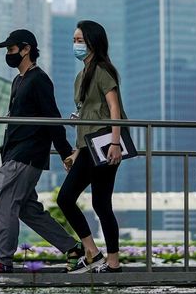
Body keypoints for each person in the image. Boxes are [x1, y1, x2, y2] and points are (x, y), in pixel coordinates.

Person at [0, 29, 87, 274]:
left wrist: (64, 153)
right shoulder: (19, 80)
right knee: (28, 210)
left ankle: (3, 261)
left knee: (6, 205)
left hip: (25, 155)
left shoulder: (39, 79)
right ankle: (72, 248)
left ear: (26, 49)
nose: (9, 54)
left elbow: (52, 118)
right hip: (14, 153)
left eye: (11, 49)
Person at [57, 20, 126, 274]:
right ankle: (100, 256)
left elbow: (114, 108)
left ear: (93, 43)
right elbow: (84, 116)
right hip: (88, 147)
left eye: (80, 41)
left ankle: (103, 257)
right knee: (81, 201)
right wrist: (76, 152)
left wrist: (116, 143)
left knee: (93, 202)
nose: (76, 45)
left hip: (105, 144)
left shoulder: (102, 71)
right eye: (74, 40)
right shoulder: (81, 76)